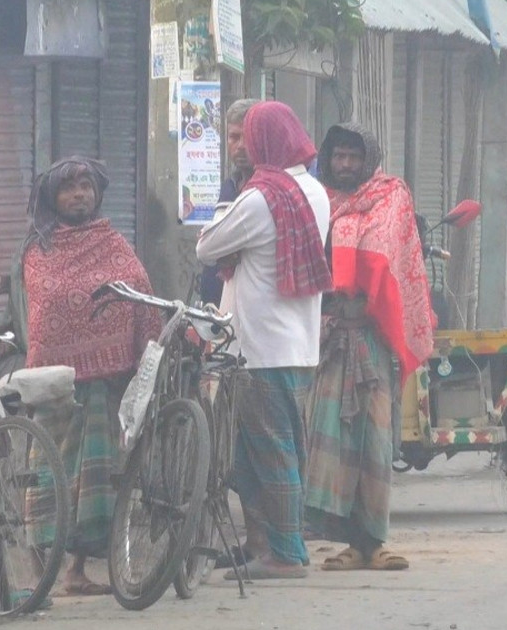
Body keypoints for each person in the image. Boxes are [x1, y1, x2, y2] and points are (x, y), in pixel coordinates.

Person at [11, 156, 162, 594]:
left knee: (97, 476)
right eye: (69, 187)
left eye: (86, 186)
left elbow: (138, 287)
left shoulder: (112, 241)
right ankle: (42, 571)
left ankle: (78, 569)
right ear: (51, 197)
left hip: (105, 386)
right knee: (50, 470)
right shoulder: (39, 247)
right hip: (58, 386)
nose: (79, 194)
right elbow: (50, 301)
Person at [196, 101, 331, 579]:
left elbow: (207, 246)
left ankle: (287, 553)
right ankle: (270, 544)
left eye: (247, 138)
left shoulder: (259, 199)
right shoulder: (313, 191)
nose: (242, 148)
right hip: (295, 345)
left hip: (257, 349)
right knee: (267, 450)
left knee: (270, 452)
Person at [304, 123, 434, 572]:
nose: (344, 165)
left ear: (369, 159)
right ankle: (348, 543)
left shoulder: (392, 196)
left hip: (374, 341)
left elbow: (395, 261)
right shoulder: (316, 200)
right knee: (334, 443)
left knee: (375, 442)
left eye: (352, 157)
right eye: (337, 156)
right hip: (332, 341)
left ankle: (376, 540)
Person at [198, 98, 261, 306]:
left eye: (248, 137)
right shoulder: (229, 187)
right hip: (218, 307)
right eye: (234, 137)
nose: (240, 146)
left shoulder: (268, 191)